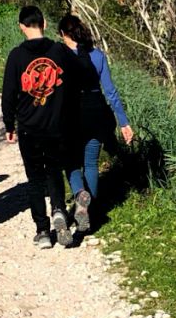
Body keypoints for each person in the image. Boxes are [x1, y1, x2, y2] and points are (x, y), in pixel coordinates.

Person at [1, 5, 89, 249]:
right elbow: (80, 75)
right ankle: (59, 210)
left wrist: (9, 123)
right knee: (53, 171)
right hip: (56, 125)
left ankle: (42, 231)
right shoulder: (59, 51)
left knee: (34, 178)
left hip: (29, 127)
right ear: (45, 24)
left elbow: (8, 94)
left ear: (21, 27)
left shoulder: (16, 56)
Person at [57, 14, 134, 233]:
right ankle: (90, 210)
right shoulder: (97, 55)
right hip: (97, 112)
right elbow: (110, 91)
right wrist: (123, 121)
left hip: (72, 114)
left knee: (71, 162)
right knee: (90, 163)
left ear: (63, 34)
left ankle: (81, 195)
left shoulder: (61, 57)